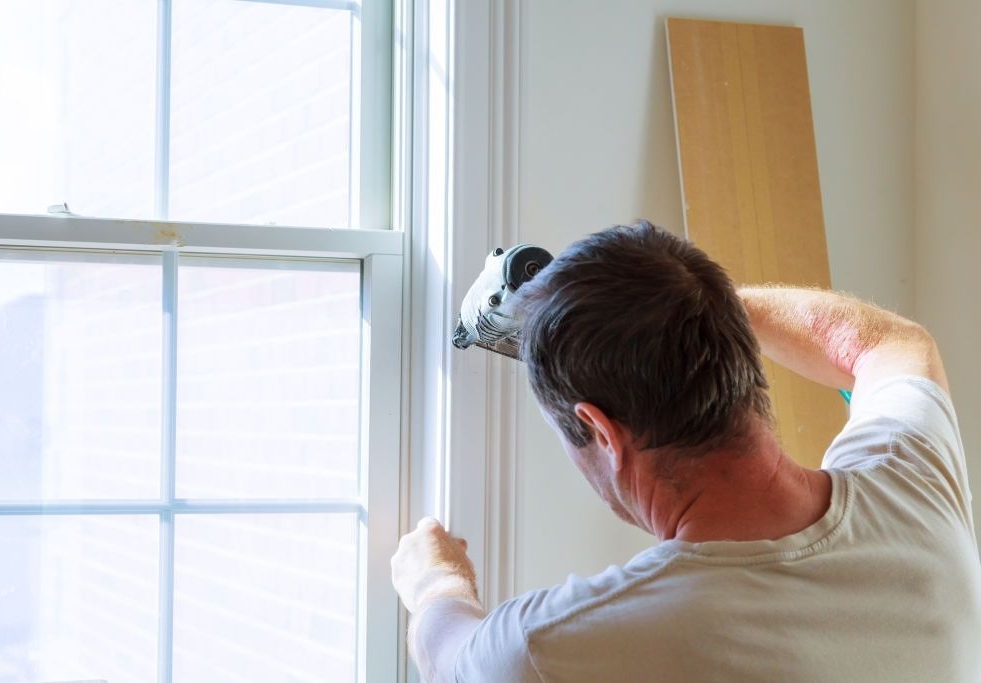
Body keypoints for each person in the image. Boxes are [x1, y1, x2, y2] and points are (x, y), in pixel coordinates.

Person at [390, 221, 981, 682]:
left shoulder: (559, 648)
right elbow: (888, 343)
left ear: (601, 432)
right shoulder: (916, 483)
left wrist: (435, 579)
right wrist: (691, 308)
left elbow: (449, 658)